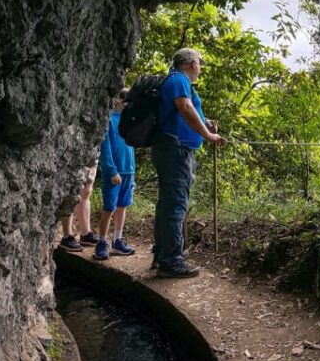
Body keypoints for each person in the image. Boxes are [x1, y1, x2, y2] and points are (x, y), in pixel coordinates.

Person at [152, 47, 226, 278]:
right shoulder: (178, 80)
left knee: (167, 203)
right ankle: (172, 260)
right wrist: (209, 136)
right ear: (192, 63)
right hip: (176, 151)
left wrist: (205, 124)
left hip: (172, 150)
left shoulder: (176, 81)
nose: (200, 68)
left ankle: (162, 254)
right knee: (175, 204)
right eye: (199, 64)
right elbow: (185, 108)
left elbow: (186, 110)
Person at [94, 89, 137, 260]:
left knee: (122, 206)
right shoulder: (109, 121)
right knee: (109, 207)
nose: (127, 105)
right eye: (125, 101)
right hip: (114, 173)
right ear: (118, 100)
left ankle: (117, 240)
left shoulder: (127, 121)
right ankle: (102, 241)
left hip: (128, 170)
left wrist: (132, 169)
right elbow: (105, 149)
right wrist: (111, 170)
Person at [57, 153, 99, 251]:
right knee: (71, 191)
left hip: (92, 154)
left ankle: (86, 234)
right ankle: (67, 236)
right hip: (72, 154)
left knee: (87, 191)